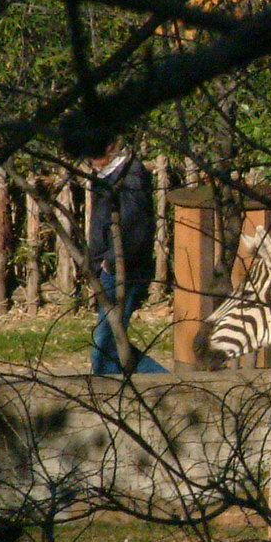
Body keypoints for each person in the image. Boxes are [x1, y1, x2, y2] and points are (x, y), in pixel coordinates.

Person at [86, 139, 168, 374]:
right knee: (110, 343)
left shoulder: (131, 175)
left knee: (105, 347)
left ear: (110, 148)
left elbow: (136, 227)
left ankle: (166, 384)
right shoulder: (105, 176)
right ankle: (164, 384)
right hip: (109, 268)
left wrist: (111, 263)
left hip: (126, 269)